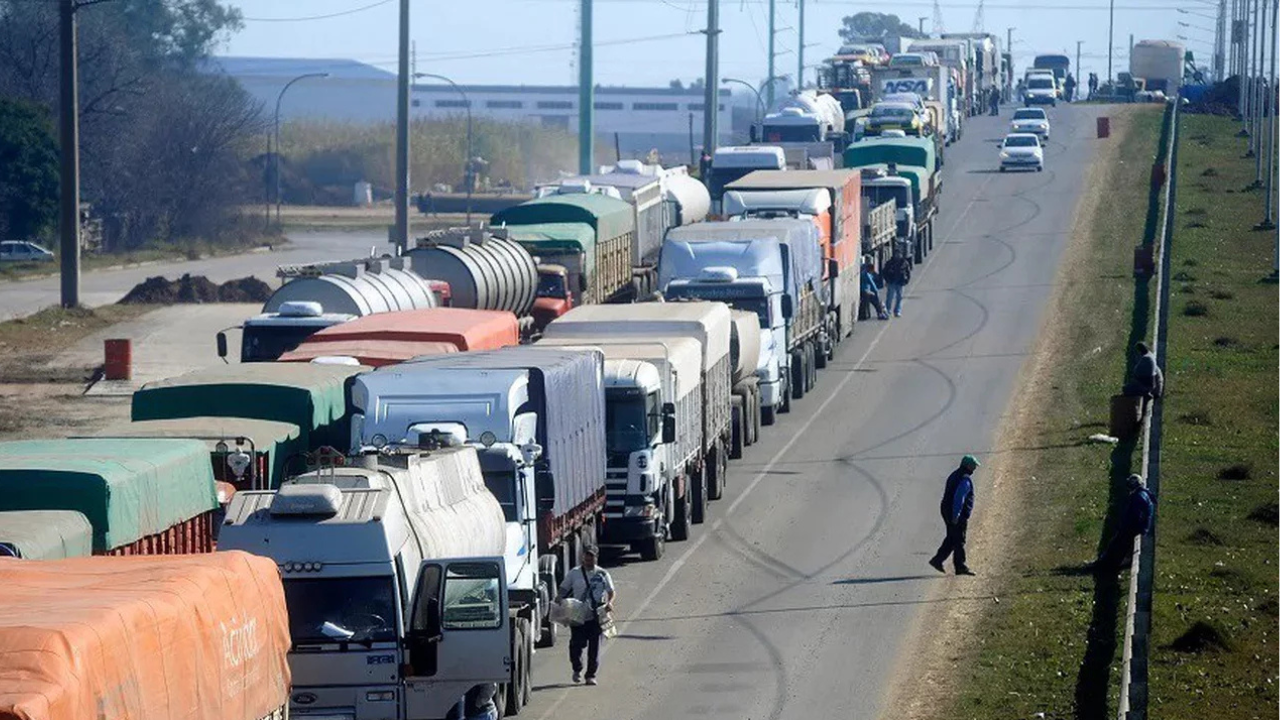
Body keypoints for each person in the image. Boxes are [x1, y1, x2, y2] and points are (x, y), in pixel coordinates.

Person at [558, 546, 615, 685]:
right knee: (576, 645)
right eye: (587, 556)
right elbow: (564, 589)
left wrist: (610, 603)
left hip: (596, 615)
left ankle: (590, 675)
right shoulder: (574, 573)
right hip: (578, 615)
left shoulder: (602, 573)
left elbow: (611, 591)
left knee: (594, 648)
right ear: (583, 557)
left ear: (596, 558)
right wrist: (559, 599)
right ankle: (577, 668)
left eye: (592, 557)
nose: (589, 560)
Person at [1086, 474, 1156, 572]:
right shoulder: (1142, 494)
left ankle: (1103, 565)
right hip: (1137, 528)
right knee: (1116, 543)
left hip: (1133, 528)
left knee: (1115, 544)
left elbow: (1136, 516)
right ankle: (1105, 564)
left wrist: (1126, 527)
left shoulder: (1138, 497)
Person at [929, 455, 979, 576]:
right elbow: (959, 499)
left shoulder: (954, 474)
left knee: (952, 537)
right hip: (956, 513)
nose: (974, 468)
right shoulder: (964, 480)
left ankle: (937, 560)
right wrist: (956, 515)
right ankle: (960, 566)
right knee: (959, 540)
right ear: (967, 466)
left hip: (945, 509)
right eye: (973, 466)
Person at [881, 245, 912, 317]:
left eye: (899, 253)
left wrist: (906, 280)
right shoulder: (889, 263)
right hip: (891, 282)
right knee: (890, 297)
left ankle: (897, 311)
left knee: (899, 297)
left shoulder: (905, 263)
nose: (898, 255)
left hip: (900, 283)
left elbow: (908, 272)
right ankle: (888, 310)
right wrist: (887, 280)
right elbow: (884, 272)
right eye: (896, 253)